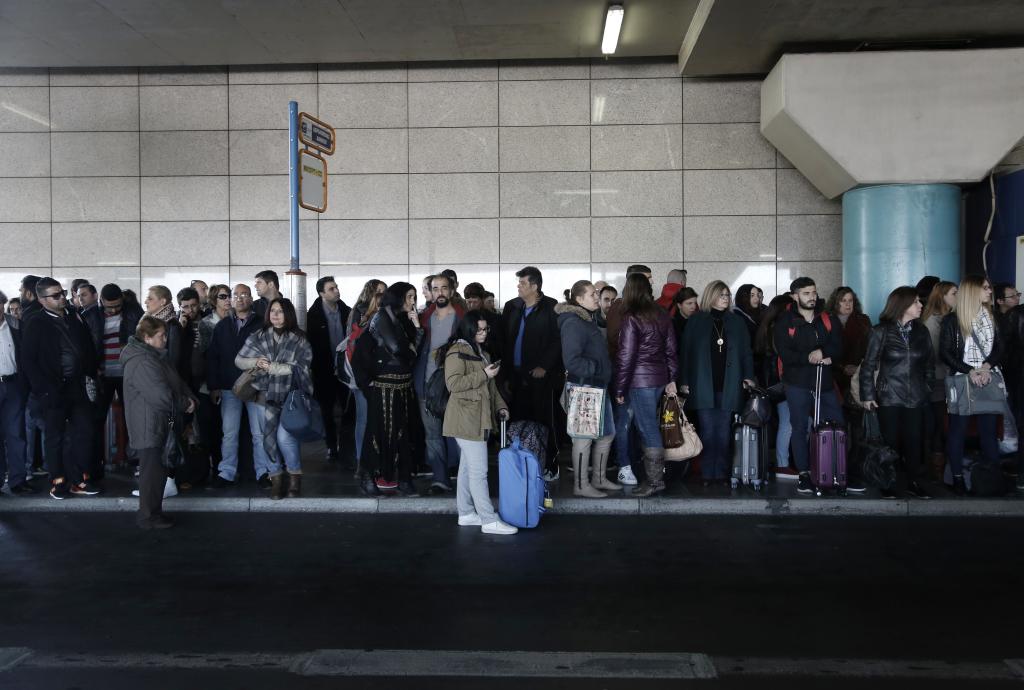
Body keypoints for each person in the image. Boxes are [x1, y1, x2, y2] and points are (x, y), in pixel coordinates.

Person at [21, 278, 98, 499]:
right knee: (55, 437)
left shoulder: (75, 316)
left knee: (84, 433)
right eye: (56, 295)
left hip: (78, 386)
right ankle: (58, 482)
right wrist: (44, 389)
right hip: (52, 388)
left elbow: (89, 347)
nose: (62, 297)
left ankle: (79, 480)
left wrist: (90, 374)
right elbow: (28, 361)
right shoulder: (36, 322)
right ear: (42, 299)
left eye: (62, 293)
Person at [775, 277, 854, 495]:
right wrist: (810, 356)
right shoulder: (785, 322)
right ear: (795, 296)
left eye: (814, 292)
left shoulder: (827, 318)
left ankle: (837, 469)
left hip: (825, 382)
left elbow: (838, 346)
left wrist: (825, 353)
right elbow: (785, 353)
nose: (812, 297)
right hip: (797, 383)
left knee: (837, 423)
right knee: (799, 427)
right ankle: (804, 473)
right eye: (806, 293)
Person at [442, 311, 516, 534]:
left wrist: (501, 406)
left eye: (486, 329)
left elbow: (490, 387)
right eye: (480, 329)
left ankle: (466, 513)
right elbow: (453, 384)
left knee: (467, 470)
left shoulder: (479, 352)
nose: (483, 333)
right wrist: (484, 373)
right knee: (478, 471)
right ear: (469, 329)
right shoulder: (457, 351)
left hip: (474, 418)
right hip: (466, 419)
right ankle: (488, 519)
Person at [121, 316, 196, 529]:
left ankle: (153, 514)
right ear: (147, 338)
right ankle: (148, 517)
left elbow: (174, 383)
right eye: (161, 336)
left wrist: (188, 399)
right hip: (149, 423)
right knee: (151, 473)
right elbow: (161, 395)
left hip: (156, 421)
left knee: (156, 471)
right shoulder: (143, 361)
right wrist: (185, 404)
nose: (165, 339)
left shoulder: (152, 357)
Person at [234, 298, 314, 500]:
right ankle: (276, 479)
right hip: (263, 396)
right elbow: (239, 360)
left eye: (280, 311)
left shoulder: (299, 338)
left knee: (285, 438)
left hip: (289, 398)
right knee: (265, 439)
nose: (275, 315)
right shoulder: (258, 336)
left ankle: (294, 476)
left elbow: (303, 367)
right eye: (272, 311)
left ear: (288, 314)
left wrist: (273, 368)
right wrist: (256, 362)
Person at [860, 287, 934, 499]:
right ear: (902, 305)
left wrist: (926, 387)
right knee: (889, 442)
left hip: (916, 397)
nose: (921, 306)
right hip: (889, 396)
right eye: (916, 302)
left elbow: (929, 364)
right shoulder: (880, 331)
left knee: (914, 441)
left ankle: (912, 482)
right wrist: (868, 395)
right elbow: (868, 365)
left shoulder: (922, 331)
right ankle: (888, 482)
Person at [680, 281, 756, 486]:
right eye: (721, 294)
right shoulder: (696, 321)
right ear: (711, 295)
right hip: (703, 384)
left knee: (723, 431)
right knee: (707, 430)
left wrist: (749, 376)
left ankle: (720, 473)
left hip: (728, 383)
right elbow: (685, 353)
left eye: (727, 295)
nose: (726, 298)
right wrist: (684, 381)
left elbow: (746, 353)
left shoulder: (736, 321)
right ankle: (707, 473)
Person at [613, 273, 678, 497]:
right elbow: (671, 350)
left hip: (640, 381)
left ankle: (654, 481)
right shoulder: (661, 314)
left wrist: (620, 389)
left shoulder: (632, 317)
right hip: (658, 379)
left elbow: (626, 356)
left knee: (647, 428)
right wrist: (671, 378)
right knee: (650, 426)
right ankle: (654, 479)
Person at [939, 275, 1004, 495]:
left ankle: (992, 478)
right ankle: (957, 478)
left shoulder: (992, 317)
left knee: (989, 430)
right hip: (962, 378)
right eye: (985, 288)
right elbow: (945, 352)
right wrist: (971, 370)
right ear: (973, 291)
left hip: (988, 376)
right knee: (958, 430)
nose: (989, 291)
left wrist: (986, 366)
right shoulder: (952, 320)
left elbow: (1000, 348)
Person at [556, 281, 619, 497]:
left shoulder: (586, 319)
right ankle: (581, 485)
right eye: (593, 294)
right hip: (585, 387)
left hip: (598, 385)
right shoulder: (573, 322)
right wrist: (598, 367)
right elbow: (572, 361)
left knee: (607, 434)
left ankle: (599, 479)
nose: (597, 297)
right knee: (583, 439)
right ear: (579, 299)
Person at [359, 282, 423, 496]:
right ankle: (369, 475)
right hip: (385, 385)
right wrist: (411, 349)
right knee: (378, 432)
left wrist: (417, 331)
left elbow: (411, 351)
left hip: (403, 384)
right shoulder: (381, 318)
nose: (413, 301)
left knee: (403, 433)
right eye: (409, 296)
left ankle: (403, 478)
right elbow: (398, 349)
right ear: (398, 297)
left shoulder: (402, 319)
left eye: (414, 297)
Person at [500, 266, 562, 480]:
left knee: (544, 421)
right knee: (517, 421)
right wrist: (505, 375)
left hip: (541, 377)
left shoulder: (551, 307)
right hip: (515, 375)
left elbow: (557, 340)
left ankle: (550, 465)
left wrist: (544, 365)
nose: (518, 286)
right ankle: (520, 464)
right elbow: (506, 342)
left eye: (523, 283)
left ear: (535, 286)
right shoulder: (512, 307)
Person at [206, 284, 270, 488]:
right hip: (228, 386)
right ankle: (226, 472)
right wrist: (214, 386)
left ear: (251, 299)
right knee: (229, 432)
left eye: (245, 295)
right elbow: (213, 357)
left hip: (256, 386)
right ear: (231, 300)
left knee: (259, 432)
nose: (240, 298)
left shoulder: (262, 324)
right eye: (236, 295)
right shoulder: (223, 326)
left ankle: (263, 472)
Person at [415, 274, 465, 493]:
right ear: (431, 292)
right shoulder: (423, 318)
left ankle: (464, 477)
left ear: (452, 291)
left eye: (445, 288)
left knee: (460, 434)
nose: (440, 293)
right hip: (426, 385)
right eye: (436, 289)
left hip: (456, 387)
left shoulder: (463, 319)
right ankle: (440, 478)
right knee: (433, 435)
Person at [306, 276, 352, 464]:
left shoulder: (347, 311)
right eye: (331, 289)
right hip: (323, 370)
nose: (336, 291)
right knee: (327, 410)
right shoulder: (313, 315)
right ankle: (332, 446)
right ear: (322, 293)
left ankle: (347, 446)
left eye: (336, 287)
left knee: (348, 408)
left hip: (344, 369)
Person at [756, 295, 797, 478]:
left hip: (773, 384)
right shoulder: (779, 329)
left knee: (786, 423)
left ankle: (784, 462)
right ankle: (783, 463)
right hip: (783, 383)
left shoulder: (766, 327)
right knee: (787, 423)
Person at [346, 280, 386, 469]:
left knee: (367, 418)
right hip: (363, 377)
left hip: (363, 377)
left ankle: (365, 460)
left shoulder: (363, 317)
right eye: (379, 292)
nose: (382, 296)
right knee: (365, 418)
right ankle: (364, 460)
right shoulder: (364, 318)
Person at [921, 281, 957, 478]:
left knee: (940, 422)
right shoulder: (934, 321)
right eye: (954, 293)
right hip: (938, 379)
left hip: (945, 377)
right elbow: (936, 354)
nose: (957, 296)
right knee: (937, 422)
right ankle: (935, 466)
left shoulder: (946, 318)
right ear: (942, 296)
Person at [0, 302, 32, 495]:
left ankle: (18, 480)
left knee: (16, 434)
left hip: (13, 386)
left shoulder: (15, 325)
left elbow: (24, 355)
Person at [826, 286, 871, 405]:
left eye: (850, 300)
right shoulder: (826, 321)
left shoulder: (863, 321)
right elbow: (824, 349)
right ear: (836, 302)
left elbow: (870, 348)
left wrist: (859, 367)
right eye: (843, 300)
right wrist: (841, 367)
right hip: (833, 373)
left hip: (858, 373)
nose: (847, 304)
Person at [144, 285, 183, 371]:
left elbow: (173, 361)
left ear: (163, 301)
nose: (145, 302)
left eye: (150, 299)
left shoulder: (172, 326)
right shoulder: (147, 322)